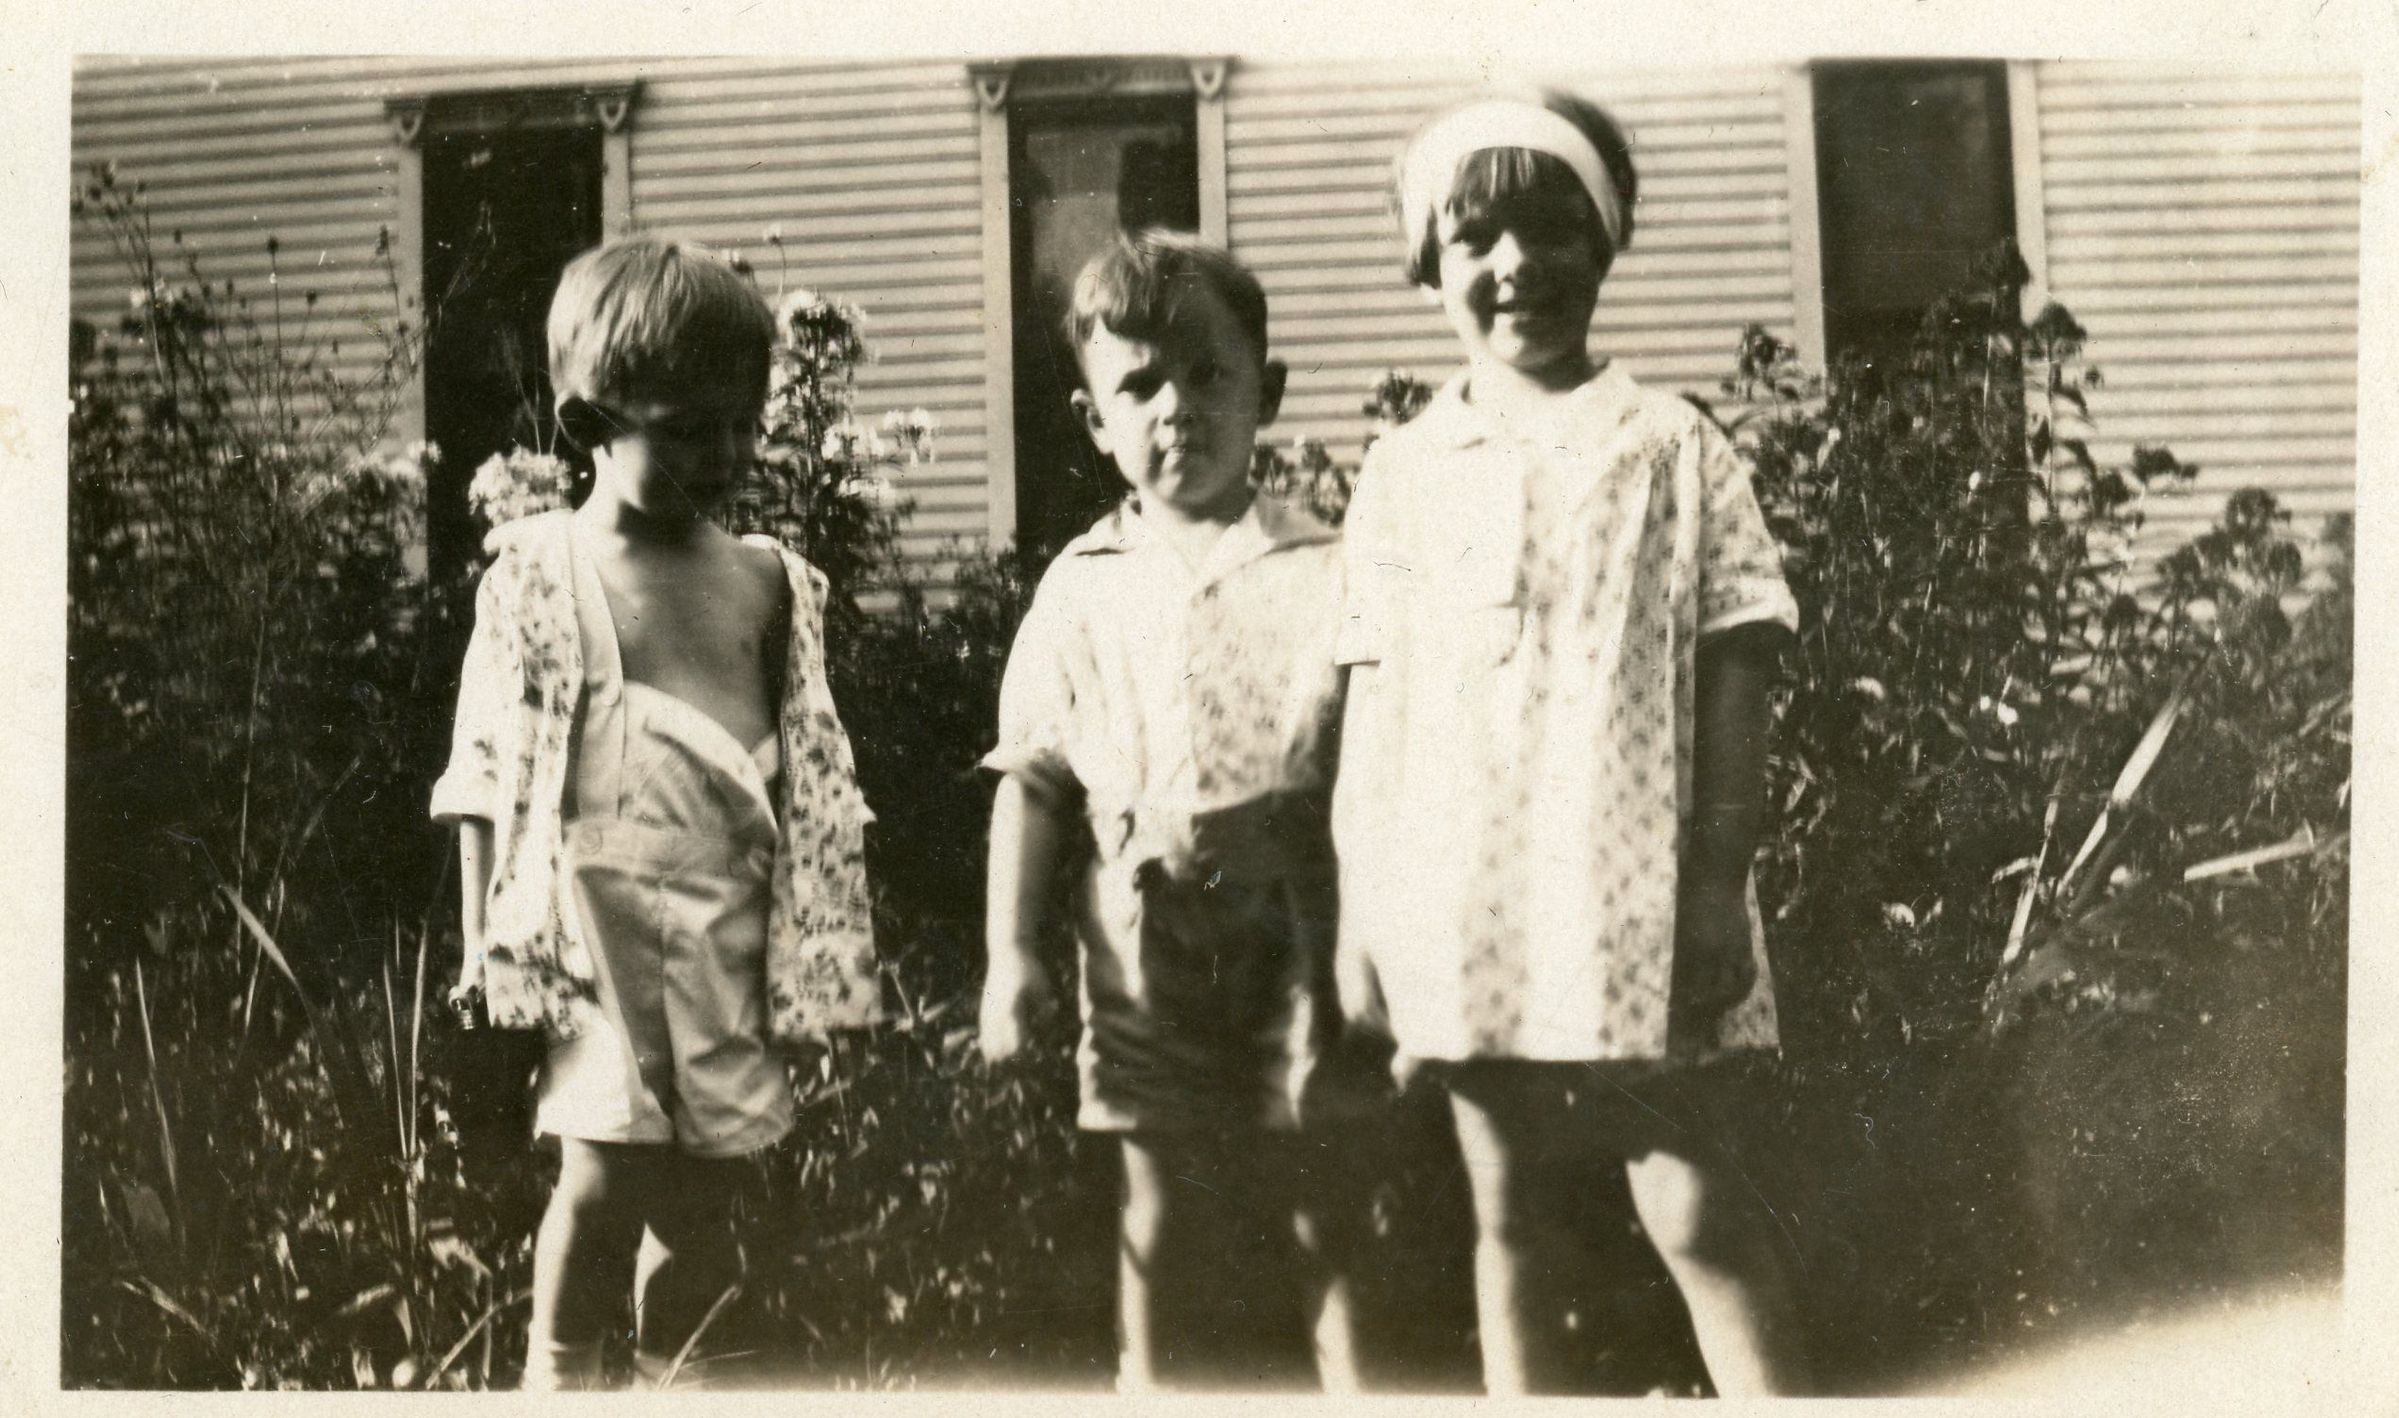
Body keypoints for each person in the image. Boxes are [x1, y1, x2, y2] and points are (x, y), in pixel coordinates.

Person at [1332, 91, 1814, 1396]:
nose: (1516, 265)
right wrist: (1360, 914)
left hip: (1637, 901)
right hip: (1469, 904)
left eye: (1552, 228)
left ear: (1603, 242)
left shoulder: (1669, 447)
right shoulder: (1404, 469)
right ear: (1427, 262)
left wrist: (1713, 885)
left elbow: (1737, 666)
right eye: (1474, 238)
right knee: (1512, 1222)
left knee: (1692, 1207)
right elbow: (1374, 707)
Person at [431, 236, 881, 1391]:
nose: (726, 455)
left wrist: (817, 962)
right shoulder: (539, 574)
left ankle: (682, 1378)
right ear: (589, 424)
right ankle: (561, 1371)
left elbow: (809, 783)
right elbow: (485, 771)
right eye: (688, 430)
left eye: (743, 424)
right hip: (593, 935)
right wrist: (486, 954)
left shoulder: (769, 585)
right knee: (601, 1174)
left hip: (725, 931)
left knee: (708, 1194)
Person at [978, 230, 1369, 1392]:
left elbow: (1374, 761)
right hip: (1140, 925)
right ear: (1093, 421)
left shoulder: (1327, 562)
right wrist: (1010, 953)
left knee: (1320, 1191)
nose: (1176, 409)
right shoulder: (1083, 582)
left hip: (1297, 915)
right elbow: (1034, 775)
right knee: (1157, 1198)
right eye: (1139, 385)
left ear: (1267, 391)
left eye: (1207, 376)